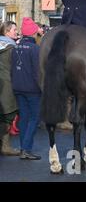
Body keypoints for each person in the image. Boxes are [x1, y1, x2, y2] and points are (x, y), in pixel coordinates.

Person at [11, 18, 42, 160]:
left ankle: (24, 147)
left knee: (23, 117)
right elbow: (37, 72)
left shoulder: (15, 46)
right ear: (33, 33)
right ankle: (26, 149)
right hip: (32, 89)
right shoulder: (35, 49)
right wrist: (42, 87)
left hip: (17, 87)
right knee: (35, 117)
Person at [0, 21, 20, 156]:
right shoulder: (11, 49)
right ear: (6, 32)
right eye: (14, 29)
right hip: (7, 84)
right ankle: (5, 146)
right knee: (7, 115)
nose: (17, 32)